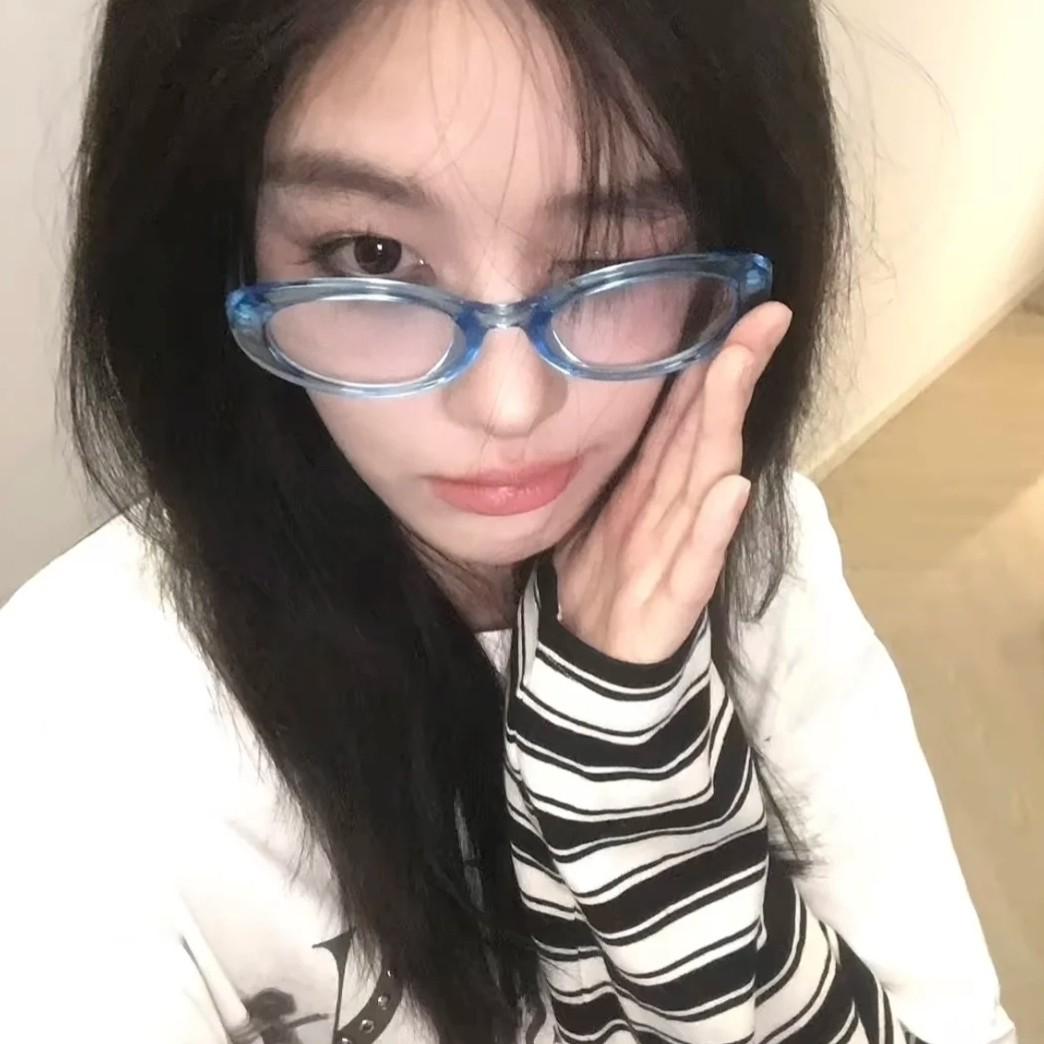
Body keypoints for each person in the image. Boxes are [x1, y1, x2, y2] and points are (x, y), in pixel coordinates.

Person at [0, 0, 1016, 1042]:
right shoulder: (77, 715)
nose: (509, 403)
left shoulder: (750, 549)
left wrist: (638, 800)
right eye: (372, 254)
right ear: (224, 248)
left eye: (605, 251)